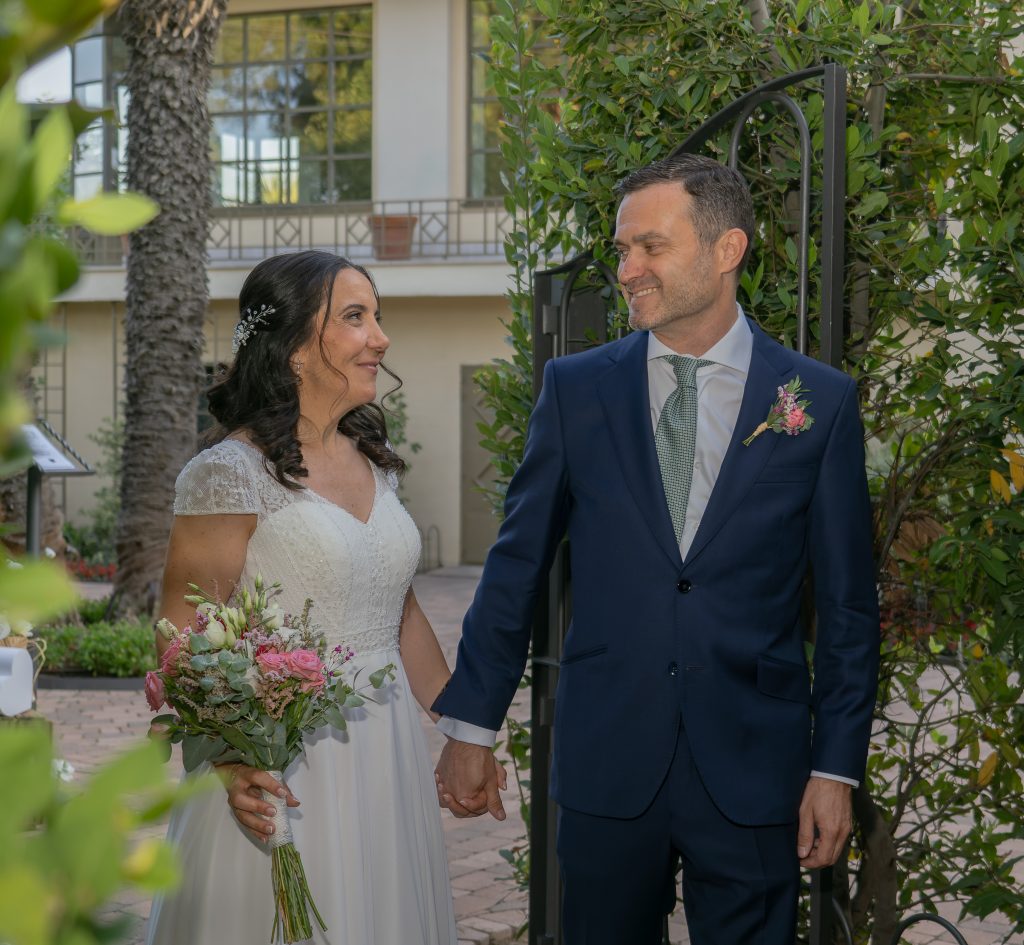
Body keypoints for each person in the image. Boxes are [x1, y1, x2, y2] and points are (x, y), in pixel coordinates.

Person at [432, 154, 880, 944]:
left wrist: (834, 767)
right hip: (609, 758)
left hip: (755, 766)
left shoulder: (818, 401)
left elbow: (847, 609)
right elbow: (517, 566)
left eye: (650, 247)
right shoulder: (576, 390)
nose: (627, 268)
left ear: (726, 250)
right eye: (620, 249)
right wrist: (472, 726)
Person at [146, 250, 498, 945]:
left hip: (384, 754)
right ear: (297, 350)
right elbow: (178, 635)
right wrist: (230, 756)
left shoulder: (373, 458)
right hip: (288, 763)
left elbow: (398, 613)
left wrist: (464, 729)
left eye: (378, 316)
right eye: (356, 317)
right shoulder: (227, 474)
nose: (381, 337)